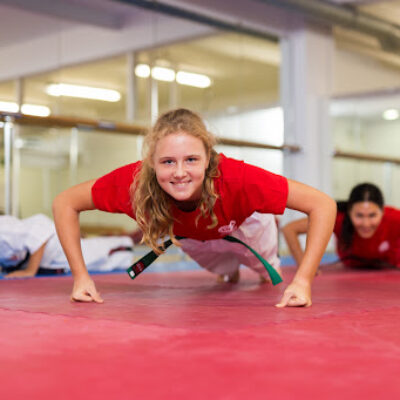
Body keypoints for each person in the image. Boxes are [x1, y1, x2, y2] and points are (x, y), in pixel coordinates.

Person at [52, 108, 336, 307]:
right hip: (193, 235)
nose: (179, 173)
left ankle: (263, 232)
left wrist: (303, 280)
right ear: (152, 162)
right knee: (223, 270)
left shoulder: (237, 178)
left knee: (263, 275)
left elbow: (322, 204)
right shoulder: (134, 183)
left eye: (191, 160)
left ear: (208, 158)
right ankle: (230, 269)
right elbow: (65, 202)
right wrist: (81, 277)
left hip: (245, 228)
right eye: (167, 162)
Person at [282, 183, 400, 269]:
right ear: (349, 212)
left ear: (383, 212)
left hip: (391, 268)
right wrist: (304, 266)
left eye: (372, 215)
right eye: (359, 215)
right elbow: (290, 229)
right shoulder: (337, 218)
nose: (366, 223)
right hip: (350, 270)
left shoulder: (394, 217)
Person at [0, 214, 135, 278]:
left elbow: (38, 232)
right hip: (43, 258)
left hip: (53, 244)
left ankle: (127, 241)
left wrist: (29, 271)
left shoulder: (3, 229)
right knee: (98, 262)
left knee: (93, 255)